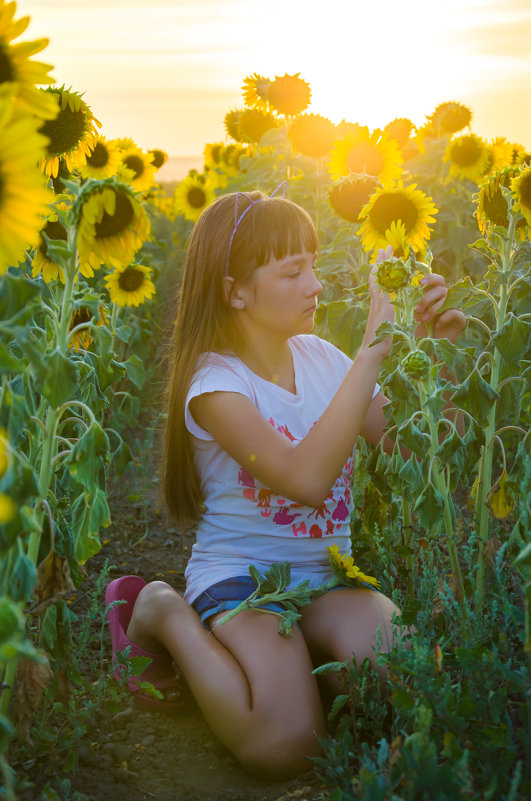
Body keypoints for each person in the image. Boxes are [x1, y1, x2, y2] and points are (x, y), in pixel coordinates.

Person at [106, 188, 466, 780]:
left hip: (330, 578)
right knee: (287, 747)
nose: (315, 285)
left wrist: (435, 349)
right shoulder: (216, 386)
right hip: (242, 582)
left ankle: (296, 668)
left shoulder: (322, 358)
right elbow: (306, 481)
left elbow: (413, 443)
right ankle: (160, 609)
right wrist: (374, 347)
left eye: (314, 266)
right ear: (235, 290)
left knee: (415, 689)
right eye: (292, 271)